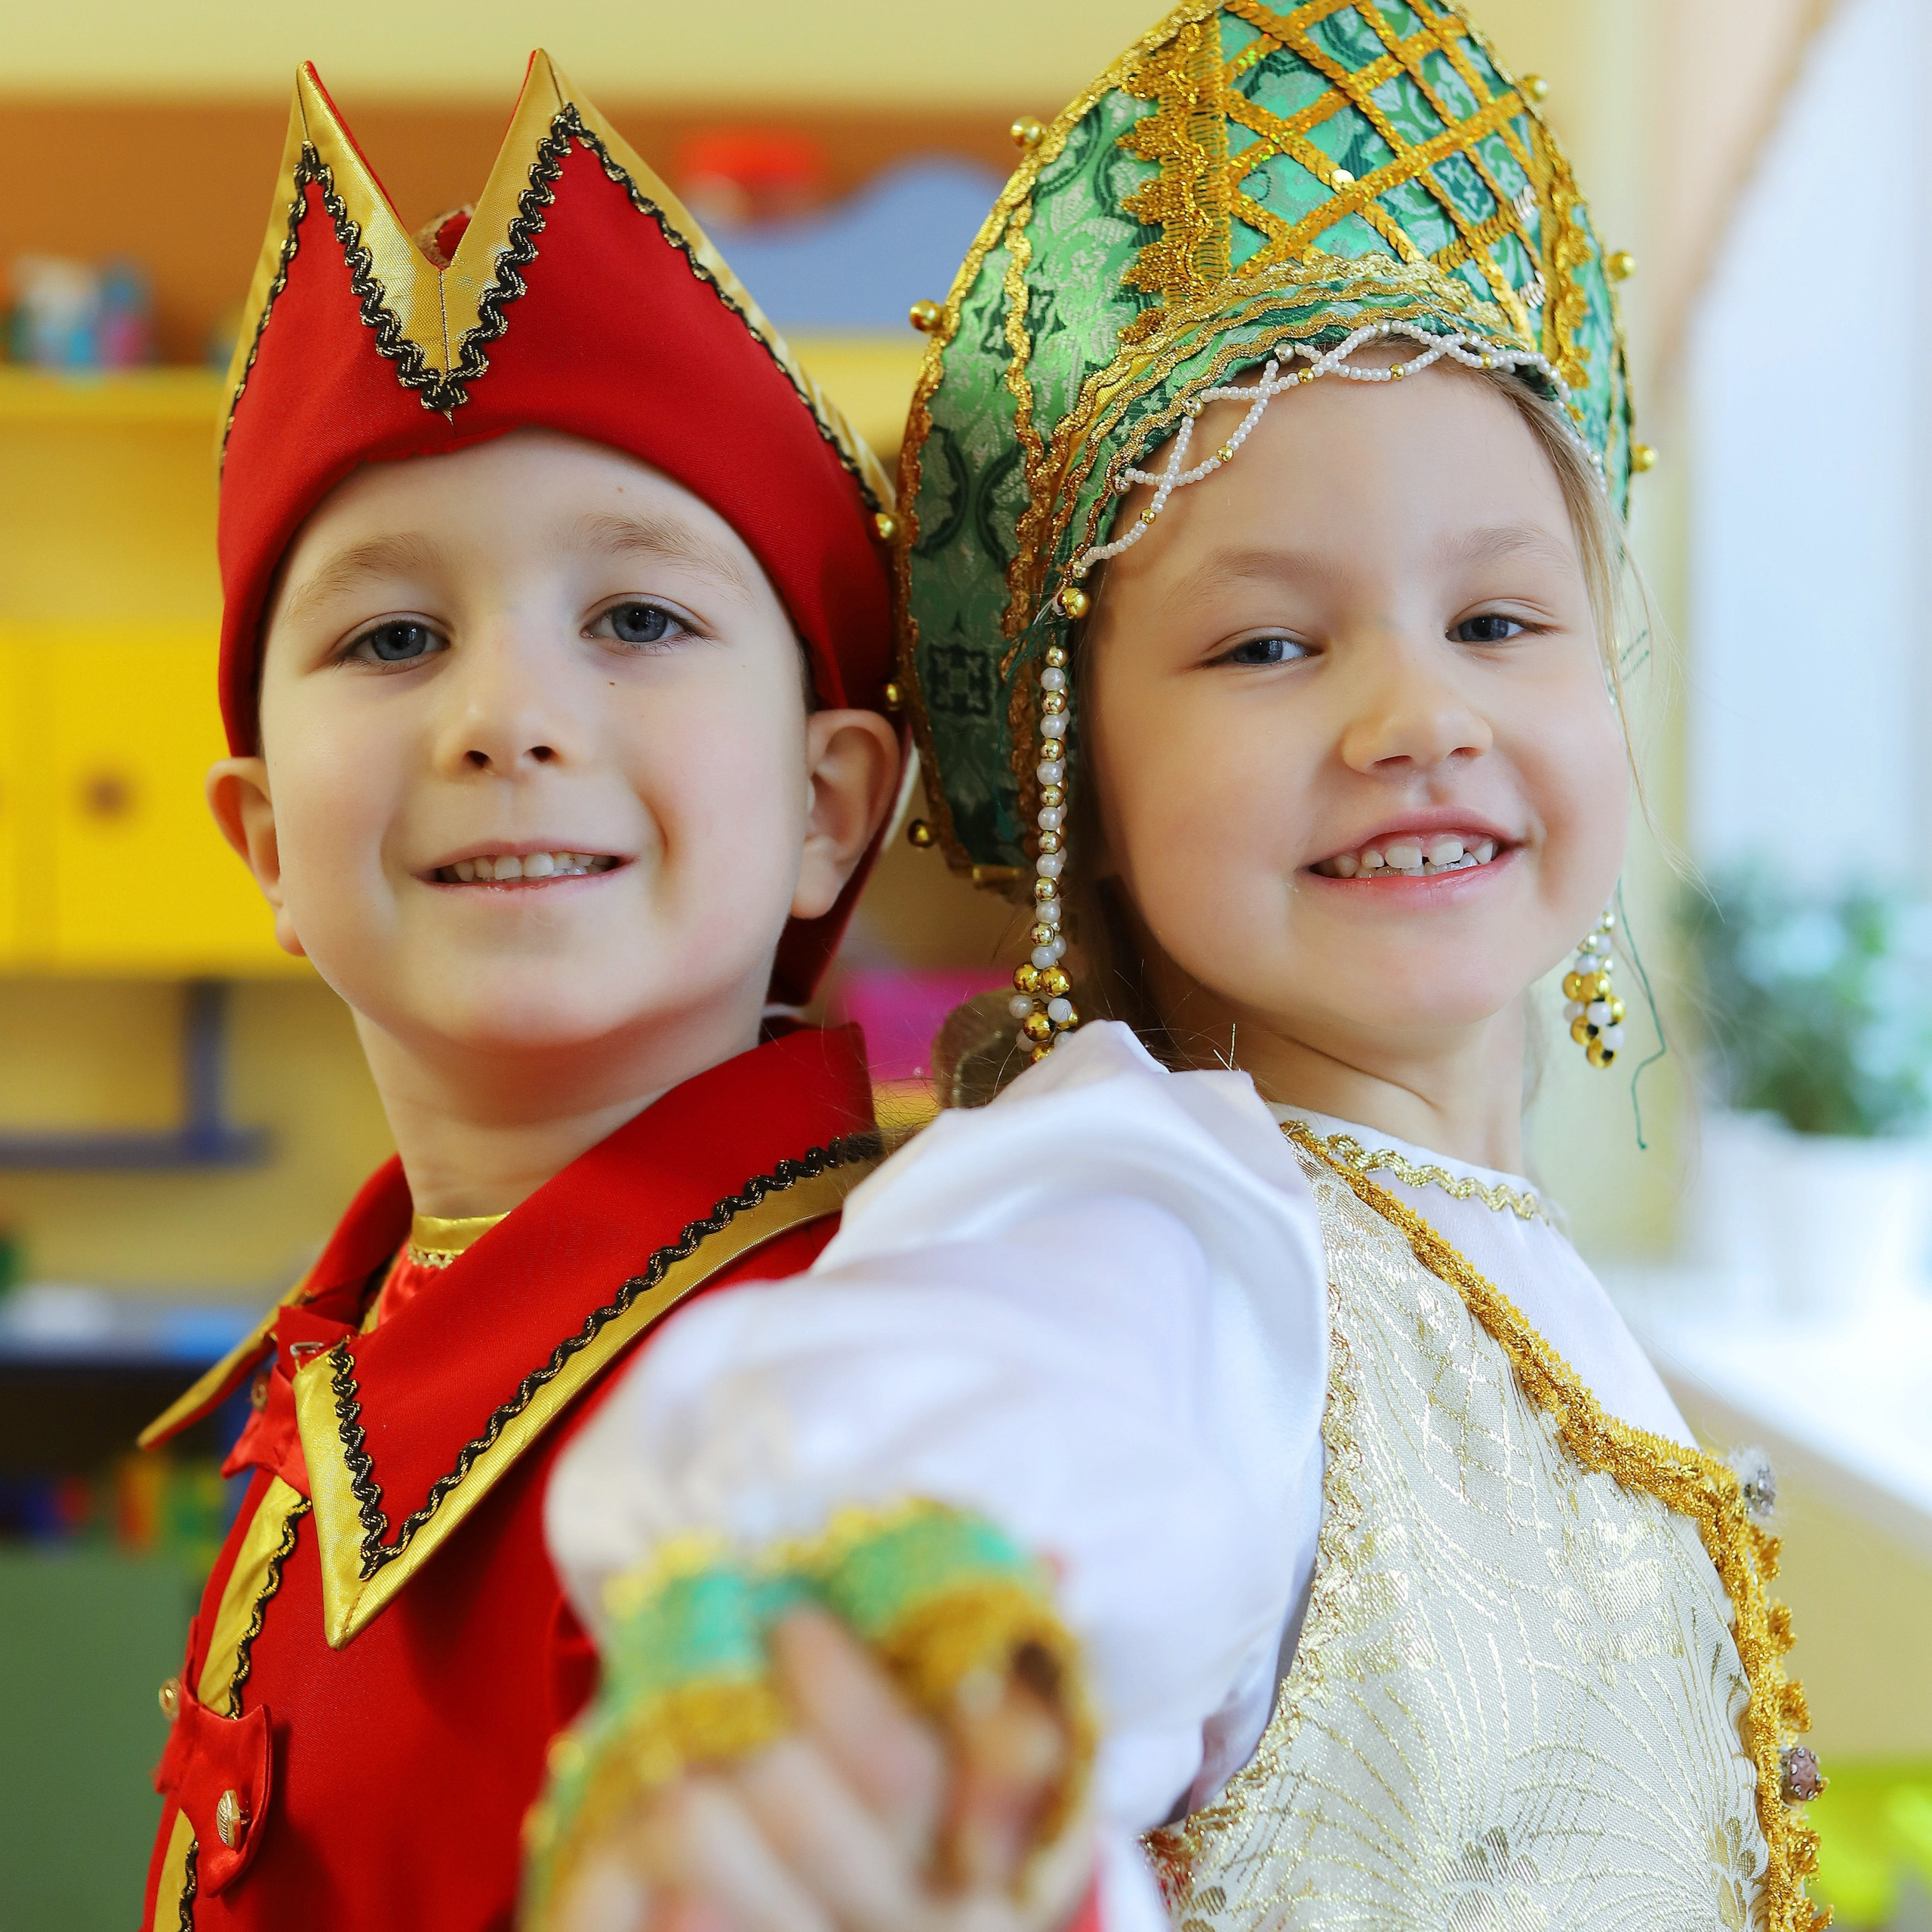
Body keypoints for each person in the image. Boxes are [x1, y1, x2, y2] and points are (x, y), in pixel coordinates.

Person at [527, 5, 1829, 1932]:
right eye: (1265, 647)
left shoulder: (1504, 1267)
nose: (1416, 713)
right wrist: (861, 1731)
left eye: (1494, 616)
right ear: (1083, 780)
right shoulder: (1168, 1217)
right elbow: (997, 1411)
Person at [135, 52, 906, 1931]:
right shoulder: (368, 1341)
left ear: (827, 812)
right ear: (264, 852)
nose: (507, 720)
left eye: (635, 619)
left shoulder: (841, 1412)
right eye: (393, 635)